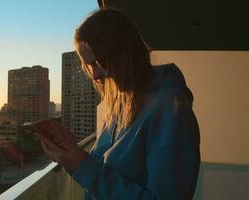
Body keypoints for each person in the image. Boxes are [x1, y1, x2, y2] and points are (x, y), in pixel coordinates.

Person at [32, 7, 200, 200]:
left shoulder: (170, 108)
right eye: (89, 65)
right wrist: (70, 150)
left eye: (97, 62)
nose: (95, 75)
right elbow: (101, 172)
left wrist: (82, 166)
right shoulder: (122, 104)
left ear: (123, 51)